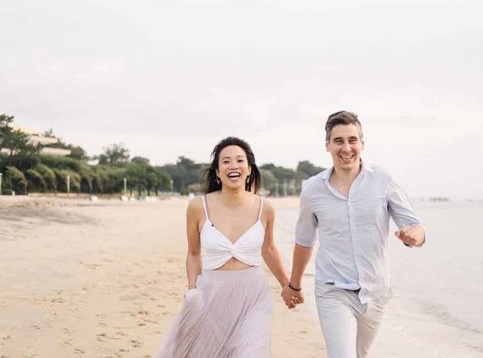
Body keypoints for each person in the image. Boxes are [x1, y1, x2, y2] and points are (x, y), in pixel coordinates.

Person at [281, 110, 426, 358]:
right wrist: (293, 285)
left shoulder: (383, 180)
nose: (346, 147)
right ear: (327, 145)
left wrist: (415, 236)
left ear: (362, 143)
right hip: (333, 289)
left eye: (352, 140)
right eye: (338, 141)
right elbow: (304, 241)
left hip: (375, 292)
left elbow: (416, 227)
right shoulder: (313, 189)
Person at [156, 136, 290, 358]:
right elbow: (193, 253)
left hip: (253, 295)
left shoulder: (265, 208)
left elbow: (269, 249)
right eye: (225, 161)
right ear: (217, 172)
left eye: (239, 160)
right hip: (212, 293)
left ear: (249, 169)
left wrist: (287, 285)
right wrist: (192, 290)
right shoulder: (198, 207)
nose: (233, 166)